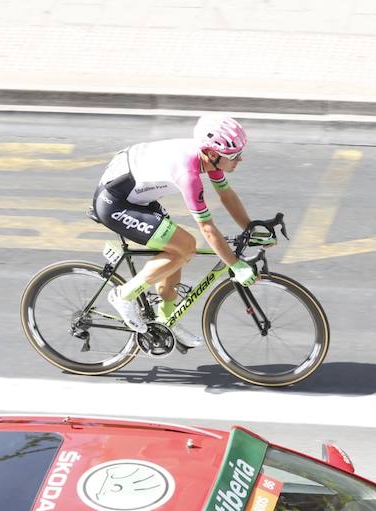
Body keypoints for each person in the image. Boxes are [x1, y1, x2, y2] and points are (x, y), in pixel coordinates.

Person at [92, 114, 259, 349]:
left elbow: (227, 195)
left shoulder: (208, 158)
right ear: (213, 154)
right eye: (234, 156)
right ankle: (124, 295)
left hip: (137, 194)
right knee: (186, 245)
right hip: (115, 203)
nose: (239, 159)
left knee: (178, 250)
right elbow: (208, 228)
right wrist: (236, 265)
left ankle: (165, 320)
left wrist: (250, 228)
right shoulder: (188, 174)